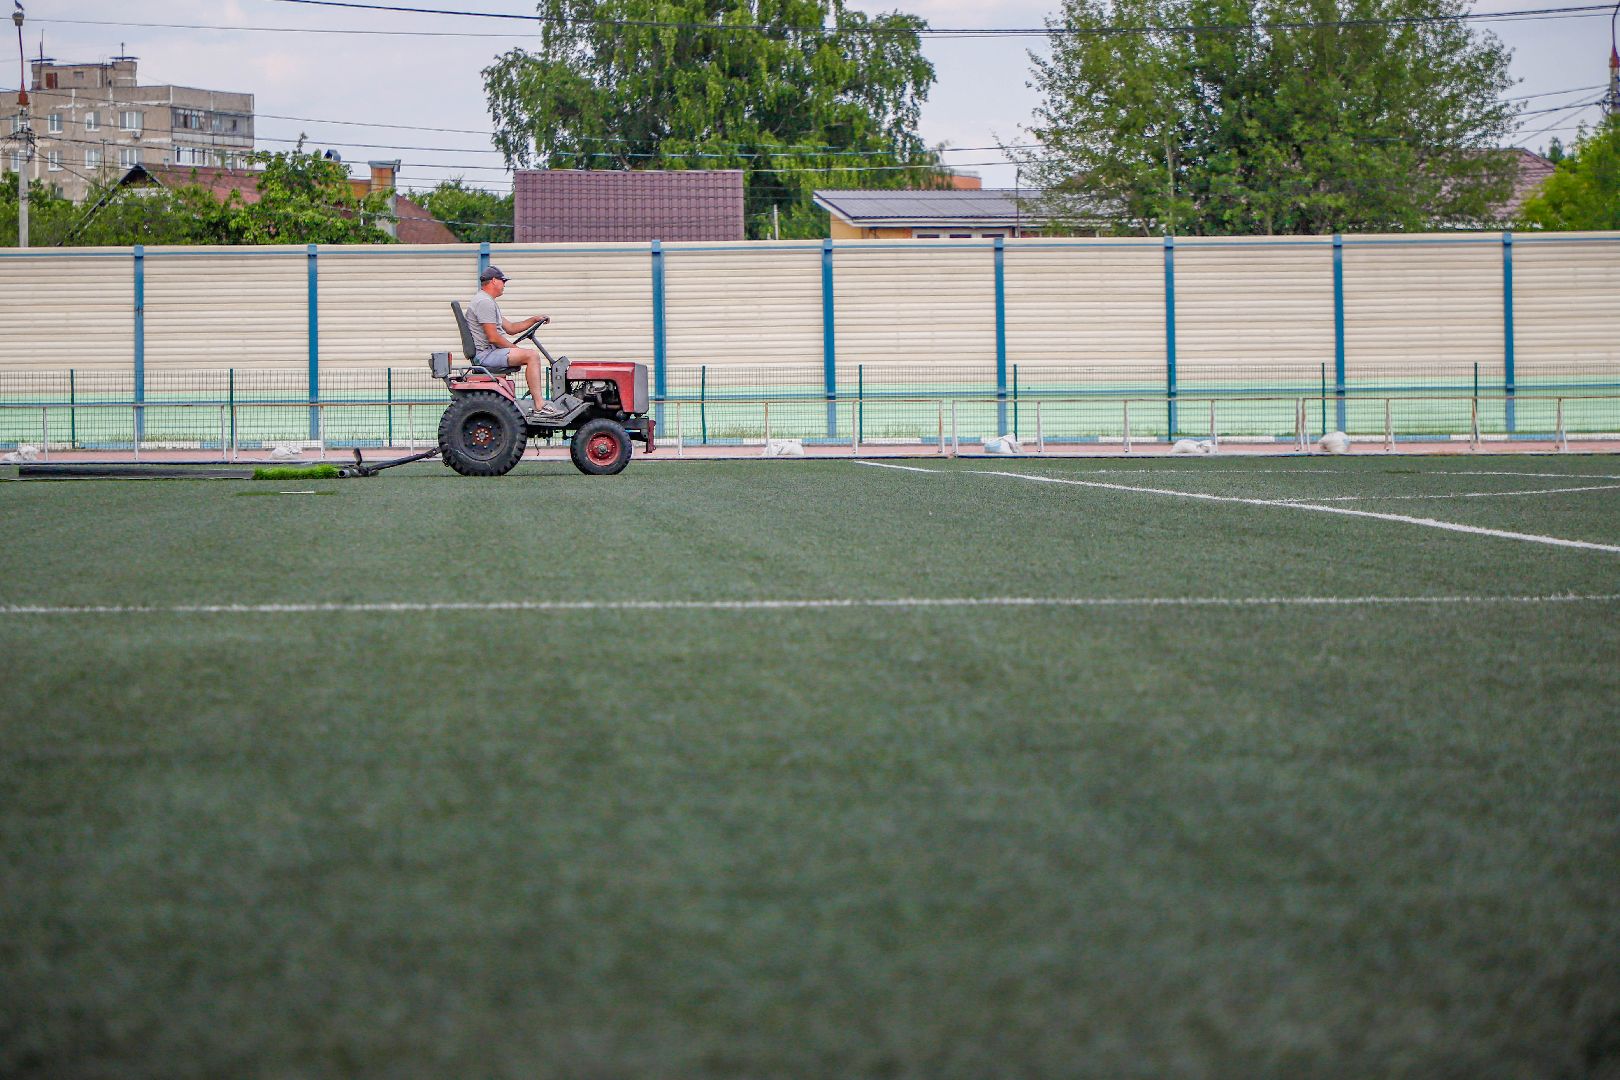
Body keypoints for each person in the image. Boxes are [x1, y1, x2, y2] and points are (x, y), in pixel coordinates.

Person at [463, 265, 569, 415]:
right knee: (531, 355)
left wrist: (533, 320)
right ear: (494, 281)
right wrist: (516, 349)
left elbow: (511, 328)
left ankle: (540, 403)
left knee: (528, 354)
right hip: (485, 355)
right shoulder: (483, 302)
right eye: (503, 281)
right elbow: (493, 337)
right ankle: (539, 405)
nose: (504, 285)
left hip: (491, 352)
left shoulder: (487, 301)